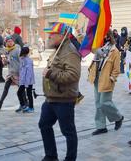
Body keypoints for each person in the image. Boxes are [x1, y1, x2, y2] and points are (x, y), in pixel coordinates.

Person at [39, 22, 81, 161]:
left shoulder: (69, 51)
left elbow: (73, 75)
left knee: (68, 131)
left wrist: (50, 74)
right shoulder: (58, 49)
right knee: (44, 124)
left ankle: (70, 158)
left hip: (64, 99)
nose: (49, 36)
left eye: (53, 34)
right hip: (51, 98)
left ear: (62, 36)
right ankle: (51, 156)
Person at [89, 29, 124, 136]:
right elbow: (87, 43)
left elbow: (116, 69)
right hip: (96, 77)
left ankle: (118, 117)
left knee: (105, 102)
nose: (100, 37)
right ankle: (101, 126)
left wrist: (112, 79)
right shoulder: (98, 49)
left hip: (106, 79)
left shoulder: (114, 51)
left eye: (102, 35)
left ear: (108, 36)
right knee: (98, 103)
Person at [0, 36, 21, 109]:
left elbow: (21, 60)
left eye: (11, 41)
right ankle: (0, 103)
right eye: (8, 41)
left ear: (13, 42)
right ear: (6, 43)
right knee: (6, 88)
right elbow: (6, 63)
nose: (10, 42)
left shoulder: (17, 50)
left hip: (17, 73)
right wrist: (5, 61)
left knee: (21, 89)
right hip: (11, 73)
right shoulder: (7, 51)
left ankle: (25, 103)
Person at [16, 46, 35, 113]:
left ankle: (31, 107)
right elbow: (22, 71)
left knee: (28, 94)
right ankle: (24, 105)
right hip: (23, 81)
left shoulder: (28, 61)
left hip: (28, 81)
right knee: (20, 93)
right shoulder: (22, 59)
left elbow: (29, 73)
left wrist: (26, 83)